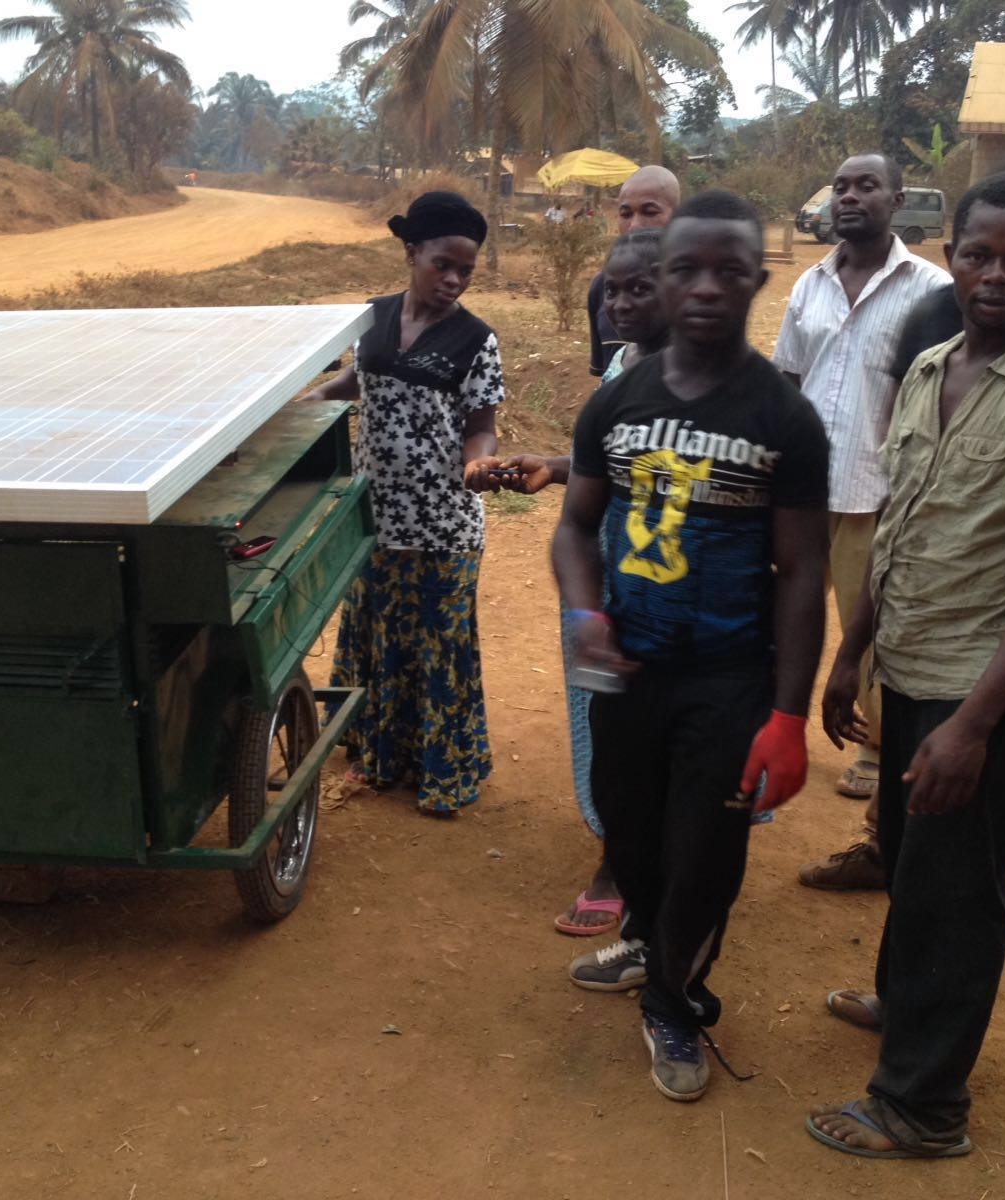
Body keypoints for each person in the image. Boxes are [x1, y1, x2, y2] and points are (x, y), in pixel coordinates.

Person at [806, 172, 1005, 1158]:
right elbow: (898, 525)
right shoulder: (928, 366)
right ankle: (907, 1009)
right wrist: (849, 652)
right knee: (913, 865)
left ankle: (923, 1106)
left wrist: (976, 724)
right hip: (906, 665)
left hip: (981, 687)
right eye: (978, 254)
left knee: (957, 890)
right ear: (950, 257)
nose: (995, 274)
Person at [553, 191, 829, 1102]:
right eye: (687, 271)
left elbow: (801, 575)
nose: (707, 289)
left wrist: (788, 715)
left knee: (706, 852)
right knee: (627, 830)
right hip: (627, 666)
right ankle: (647, 938)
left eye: (729, 272)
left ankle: (676, 999)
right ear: (659, 279)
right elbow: (574, 527)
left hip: (728, 676)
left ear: (758, 280)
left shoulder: (785, 419)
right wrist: (588, 614)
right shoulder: (617, 402)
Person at [473, 230, 670, 939]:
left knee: (656, 724)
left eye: (636, 289)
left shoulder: (702, 381)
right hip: (608, 566)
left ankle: (632, 874)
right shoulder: (622, 366)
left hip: (663, 578)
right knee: (609, 720)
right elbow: (611, 461)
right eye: (610, 291)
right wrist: (554, 466)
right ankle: (619, 856)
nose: (616, 305)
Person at [299, 191, 503, 816]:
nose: (453, 280)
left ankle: (445, 774)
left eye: (465, 271)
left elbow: (482, 423)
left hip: (444, 524)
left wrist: (477, 463)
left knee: (440, 649)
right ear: (412, 252)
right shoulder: (373, 318)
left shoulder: (476, 339)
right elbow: (351, 383)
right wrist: (289, 413)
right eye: (443, 264)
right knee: (381, 636)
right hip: (375, 518)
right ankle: (379, 757)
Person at [770, 152, 951, 806]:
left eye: (866, 186)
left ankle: (876, 746)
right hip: (801, 493)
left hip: (879, 490)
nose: (849, 197)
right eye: (840, 185)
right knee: (786, 613)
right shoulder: (809, 285)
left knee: (869, 625)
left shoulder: (931, 291)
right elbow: (787, 380)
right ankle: (777, 723)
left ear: (896, 200)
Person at [587, 165, 681, 376]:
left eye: (649, 212)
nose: (635, 225)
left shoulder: (694, 291)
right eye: (626, 214)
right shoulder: (601, 289)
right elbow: (605, 377)